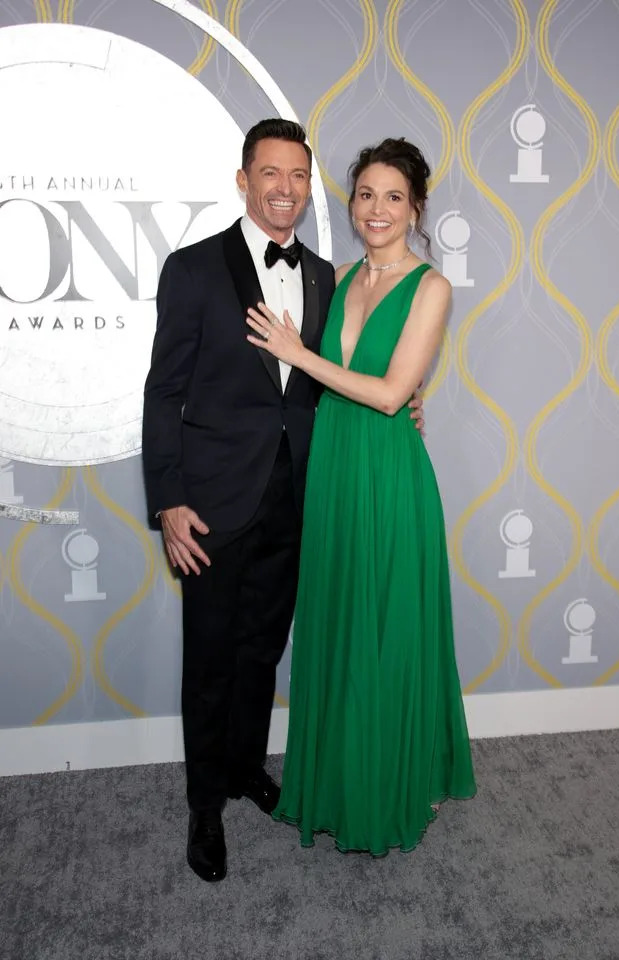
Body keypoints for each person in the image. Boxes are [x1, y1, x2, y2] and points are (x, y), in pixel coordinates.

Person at [142, 120, 424, 882]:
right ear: (243, 179)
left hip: (303, 494)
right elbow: (163, 391)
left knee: (263, 647)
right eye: (270, 174)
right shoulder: (194, 269)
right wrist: (167, 500)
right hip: (209, 503)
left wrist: (410, 397)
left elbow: (351, 372)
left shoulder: (330, 276)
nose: (285, 189)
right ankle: (205, 804)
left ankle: (243, 767)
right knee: (209, 657)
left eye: (298, 176)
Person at [246, 137, 476, 856]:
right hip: (335, 474)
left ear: (416, 209)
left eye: (394, 197)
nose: (377, 209)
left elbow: (387, 394)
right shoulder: (339, 275)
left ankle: (393, 783)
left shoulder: (432, 286)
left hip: (388, 479)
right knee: (343, 627)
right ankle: (344, 777)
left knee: (387, 630)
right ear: (350, 204)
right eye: (365, 194)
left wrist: (300, 355)